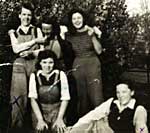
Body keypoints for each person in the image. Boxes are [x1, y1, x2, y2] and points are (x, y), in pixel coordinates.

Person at [8, 2, 46, 131]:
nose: (26, 17)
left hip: (34, 65)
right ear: (19, 15)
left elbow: (42, 51)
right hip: (19, 66)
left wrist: (30, 52)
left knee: (36, 96)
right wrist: (35, 41)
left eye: (29, 15)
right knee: (19, 99)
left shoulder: (37, 30)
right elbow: (16, 49)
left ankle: (39, 128)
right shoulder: (13, 32)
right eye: (24, 14)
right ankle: (17, 128)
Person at [63, 9, 104, 118]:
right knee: (82, 99)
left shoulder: (91, 30)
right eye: (74, 18)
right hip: (78, 66)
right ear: (71, 21)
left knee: (96, 97)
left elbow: (99, 51)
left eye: (79, 18)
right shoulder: (69, 34)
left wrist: (92, 36)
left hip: (92, 63)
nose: (77, 21)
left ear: (83, 18)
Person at [68, 80, 148, 133]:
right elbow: (93, 114)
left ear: (132, 93)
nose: (120, 96)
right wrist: (75, 127)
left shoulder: (138, 109)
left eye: (124, 92)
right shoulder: (112, 102)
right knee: (94, 122)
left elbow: (141, 129)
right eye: (118, 92)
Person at [28, 50, 70, 133]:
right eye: (44, 62)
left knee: (60, 130)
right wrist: (40, 120)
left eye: (50, 62)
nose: (47, 66)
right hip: (40, 112)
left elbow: (65, 98)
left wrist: (60, 118)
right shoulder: (34, 76)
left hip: (58, 111)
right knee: (41, 130)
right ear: (40, 63)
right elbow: (33, 100)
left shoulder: (61, 75)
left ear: (54, 63)